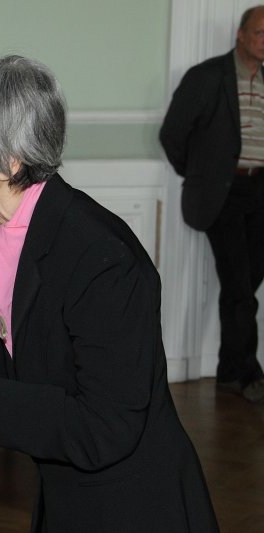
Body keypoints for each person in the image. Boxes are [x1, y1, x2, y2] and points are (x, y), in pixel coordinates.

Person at [0, 56, 219, 532]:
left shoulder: (101, 259)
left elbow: (107, 427)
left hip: (133, 504)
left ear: (9, 158)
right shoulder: (7, 234)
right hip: (66, 492)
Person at [160, 5, 264, 403]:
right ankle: (249, 372)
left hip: (261, 191)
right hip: (224, 194)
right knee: (240, 286)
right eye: (259, 32)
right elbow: (173, 135)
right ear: (240, 35)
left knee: (244, 285)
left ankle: (227, 370)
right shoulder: (208, 76)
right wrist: (202, 173)